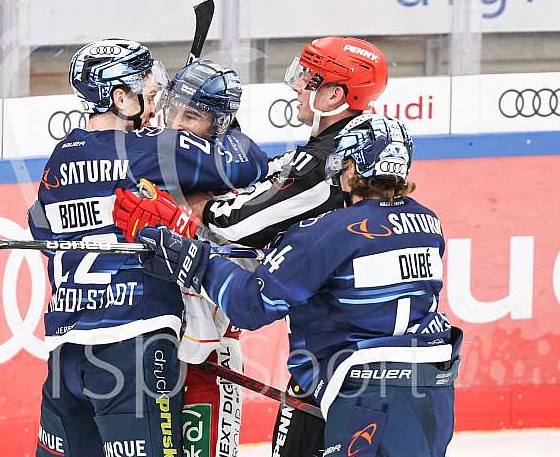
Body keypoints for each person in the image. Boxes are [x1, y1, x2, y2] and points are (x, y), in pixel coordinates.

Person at [112, 36, 390, 457]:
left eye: (309, 78)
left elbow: (245, 215)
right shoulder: (320, 151)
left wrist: (191, 208)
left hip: (319, 359)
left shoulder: (327, 160)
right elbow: (269, 174)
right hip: (162, 349)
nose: (296, 85)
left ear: (335, 94)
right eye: (177, 113)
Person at [134, 114, 462, 457]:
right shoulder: (428, 223)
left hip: (365, 398)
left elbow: (252, 305)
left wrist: (196, 260)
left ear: (351, 170)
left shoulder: (325, 232)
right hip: (433, 389)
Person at [28, 39, 268, 457]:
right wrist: (224, 124)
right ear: (120, 97)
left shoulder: (59, 156)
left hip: (65, 349)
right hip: (134, 345)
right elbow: (247, 163)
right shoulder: (153, 148)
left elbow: (38, 226)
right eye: (144, 85)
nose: (154, 96)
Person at [114, 59, 253, 457]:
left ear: (219, 126)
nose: (175, 123)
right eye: (173, 108)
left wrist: (186, 228)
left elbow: (245, 277)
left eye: (190, 116)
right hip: (143, 345)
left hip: (206, 357)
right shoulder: (148, 152)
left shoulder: (231, 182)